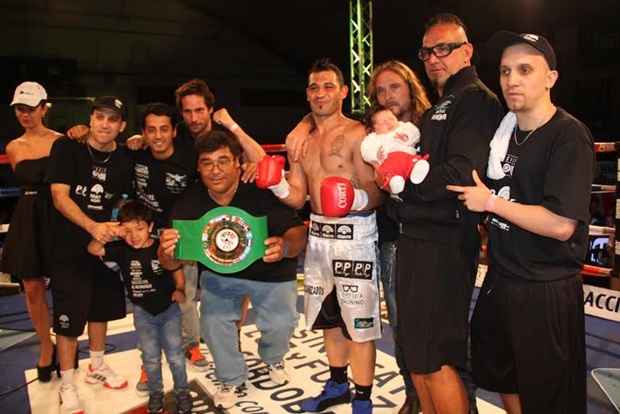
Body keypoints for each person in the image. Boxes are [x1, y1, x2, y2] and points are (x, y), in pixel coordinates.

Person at [448, 31, 593, 414]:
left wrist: (491, 203)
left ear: (550, 78)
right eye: (505, 71)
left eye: (525, 70)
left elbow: (561, 224)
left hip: (544, 286)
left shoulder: (568, 136)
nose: (512, 80)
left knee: (549, 396)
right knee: (499, 374)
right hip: (502, 278)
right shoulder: (504, 133)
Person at [388, 14, 504, 413]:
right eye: (427, 52)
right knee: (417, 353)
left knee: (436, 356)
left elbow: (460, 175)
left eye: (444, 49)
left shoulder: (475, 99)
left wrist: (403, 186)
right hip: (418, 238)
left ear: (467, 51)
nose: (434, 58)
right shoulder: (442, 104)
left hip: (444, 241)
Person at [258, 58, 384, 414]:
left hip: (355, 237)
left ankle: (363, 400)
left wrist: (352, 198)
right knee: (329, 318)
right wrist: (278, 184)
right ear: (307, 94)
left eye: (328, 86)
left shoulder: (358, 134)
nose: (320, 93)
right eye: (314, 87)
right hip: (318, 238)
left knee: (359, 325)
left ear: (343, 92)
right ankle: (337, 385)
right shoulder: (301, 141)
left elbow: (376, 191)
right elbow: (299, 196)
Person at [158, 130, 306, 409]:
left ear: (238, 162)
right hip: (221, 276)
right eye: (207, 163)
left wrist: (285, 246)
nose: (215, 171)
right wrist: (166, 251)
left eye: (223, 161)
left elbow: (297, 231)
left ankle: (274, 358)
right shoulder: (190, 202)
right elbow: (172, 261)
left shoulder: (259, 189)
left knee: (282, 323)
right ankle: (230, 376)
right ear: (198, 167)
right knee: (212, 323)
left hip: (271, 274)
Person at [46, 96, 135, 414]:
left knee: (101, 309)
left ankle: (97, 365)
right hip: (68, 246)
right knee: (69, 319)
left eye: (112, 119)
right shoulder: (67, 147)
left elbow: (124, 201)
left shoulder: (124, 158)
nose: (105, 124)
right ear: (91, 119)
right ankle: (67, 382)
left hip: (105, 246)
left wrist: (118, 228)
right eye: (99, 117)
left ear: (121, 126)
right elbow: (59, 196)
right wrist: (92, 227)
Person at [87, 201, 192, 414]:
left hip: (169, 310)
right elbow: (93, 249)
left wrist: (180, 288)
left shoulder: (160, 247)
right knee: (150, 357)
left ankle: (182, 391)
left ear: (151, 227)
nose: (134, 236)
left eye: (139, 229)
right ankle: (156, 393)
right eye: (127, 230)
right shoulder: (121, 250)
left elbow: (177, 270)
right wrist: (109, 231)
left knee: (175, 356)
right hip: (143, 313)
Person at [1, 82, 61, 382]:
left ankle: (67, 341)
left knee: (65, 282)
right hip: (27, 215)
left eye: (31, 108)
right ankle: (46, 346)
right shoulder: (13, 147)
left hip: (57, 212)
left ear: (43, 108)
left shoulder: (62, 142)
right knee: (32, 286)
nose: (25, 114)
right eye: (20, 109)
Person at [361, 104, 429, 195]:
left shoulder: (404, 127)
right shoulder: (372, 138)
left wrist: (407, 136)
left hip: (407, 156)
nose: (388, 123)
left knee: (414, 161)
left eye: (391, 119)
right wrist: (375, 154)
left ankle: (418, 170)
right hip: (390, 162)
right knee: (387, 170)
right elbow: (365, 151)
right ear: (373, 130)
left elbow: (416, 133)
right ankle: (395, 181)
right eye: (382, 123)